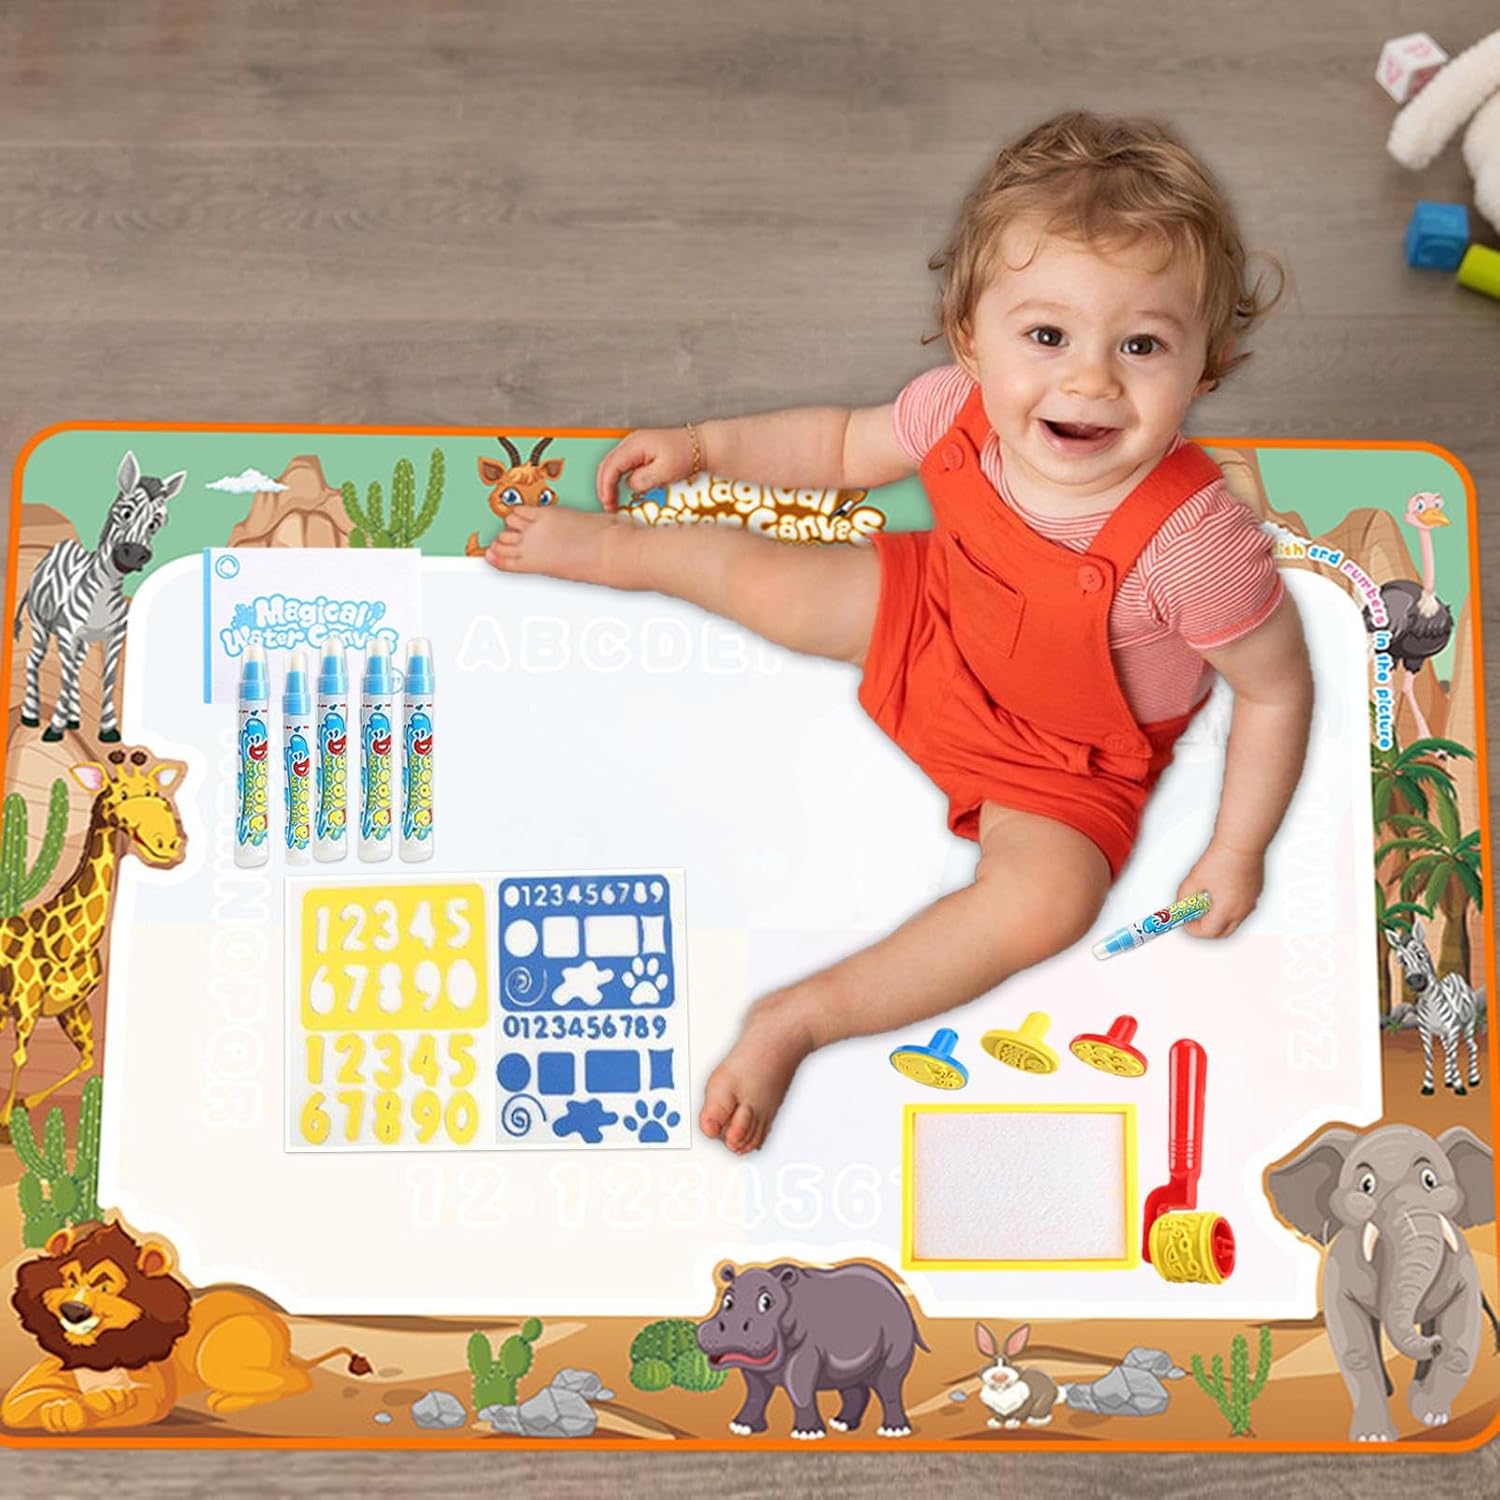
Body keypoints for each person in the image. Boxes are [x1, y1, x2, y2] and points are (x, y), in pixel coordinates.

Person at [483, 110, 1314, 1154]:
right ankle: (617, 552)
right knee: (779, 587)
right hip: (937, 616)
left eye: (1141, 345)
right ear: (971, 338)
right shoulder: (951, 408)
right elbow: (838, 446)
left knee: (1049, 903)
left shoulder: (1198, 546)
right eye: (1046, 336)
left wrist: (1236, 851)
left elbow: (1276, 689)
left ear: (1206, 366)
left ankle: (800, 1018)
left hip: (1066, 761)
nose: (1090, 380)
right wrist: (703, 447)